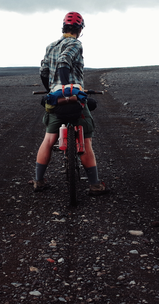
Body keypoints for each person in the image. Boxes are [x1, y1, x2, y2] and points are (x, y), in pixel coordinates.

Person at [33, 11, 110, 196]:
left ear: (63, 28)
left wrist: (53, 89)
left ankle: (38, 181)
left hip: (54, 98)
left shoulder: (51, 46)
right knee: (85, 140)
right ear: (80, 29)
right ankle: (94, 185)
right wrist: (67, 88)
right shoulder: (75, 43)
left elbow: (43, 71)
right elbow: (64, 61)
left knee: (49, 139)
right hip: (73, 96)